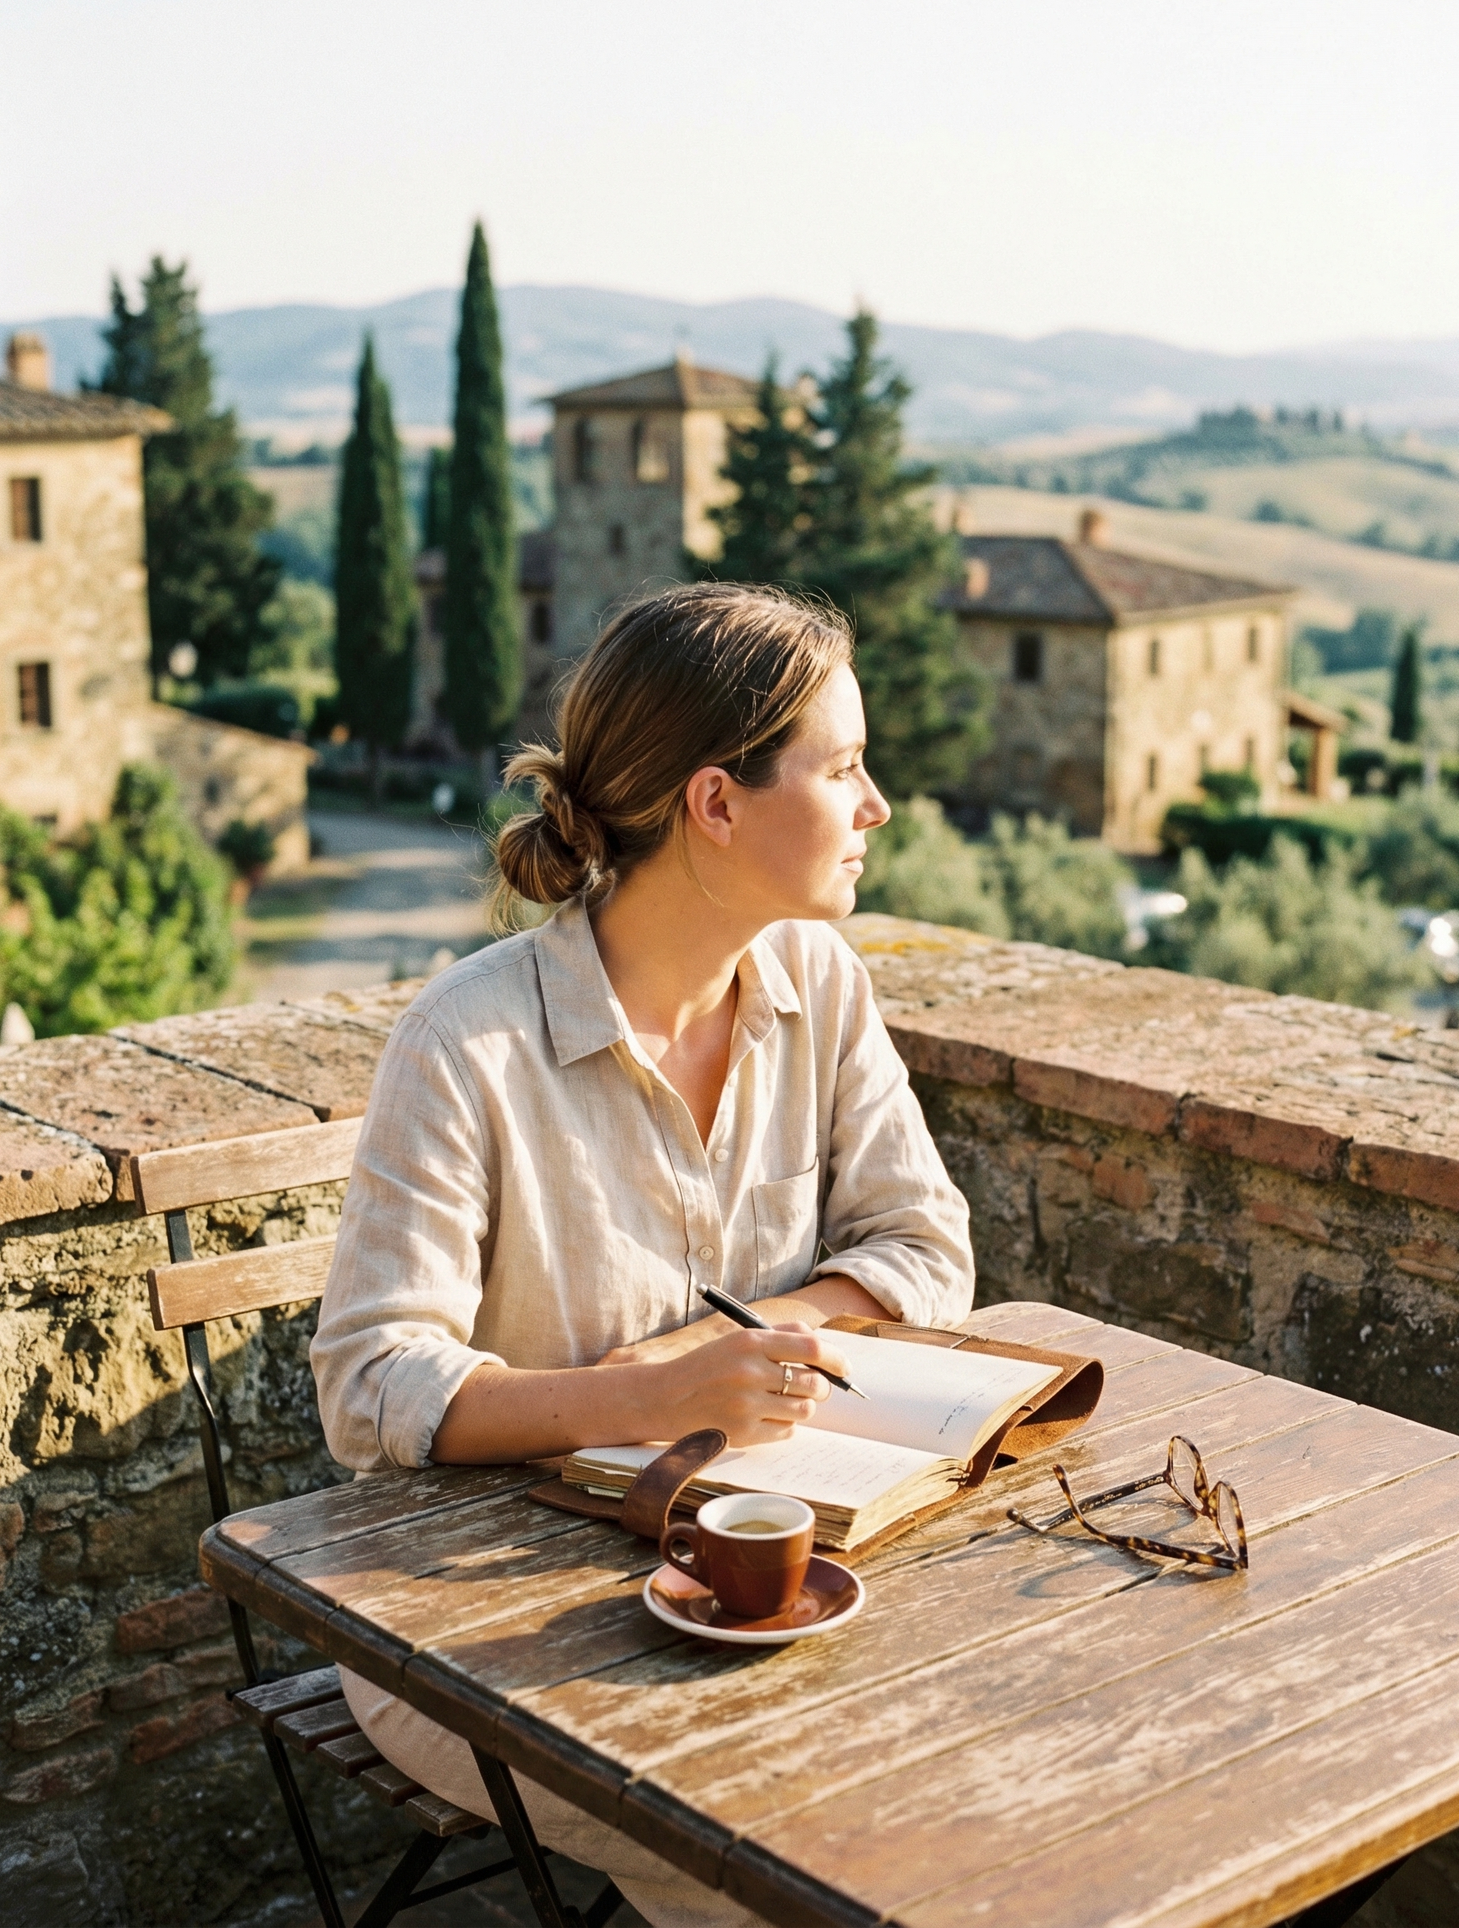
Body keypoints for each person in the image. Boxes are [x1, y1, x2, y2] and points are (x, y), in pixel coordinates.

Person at [311, 584, 974, 1926]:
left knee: (942, 1761)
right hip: (467, 1627)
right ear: (715, 803)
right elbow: (369, 1385)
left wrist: (734, 1344)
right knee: (793, 1850)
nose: (879, 805)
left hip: (750, 1576)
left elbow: (922, 1241)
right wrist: (651, 1393)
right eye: (844, 767)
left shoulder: (823, 984)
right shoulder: (468, 1043)